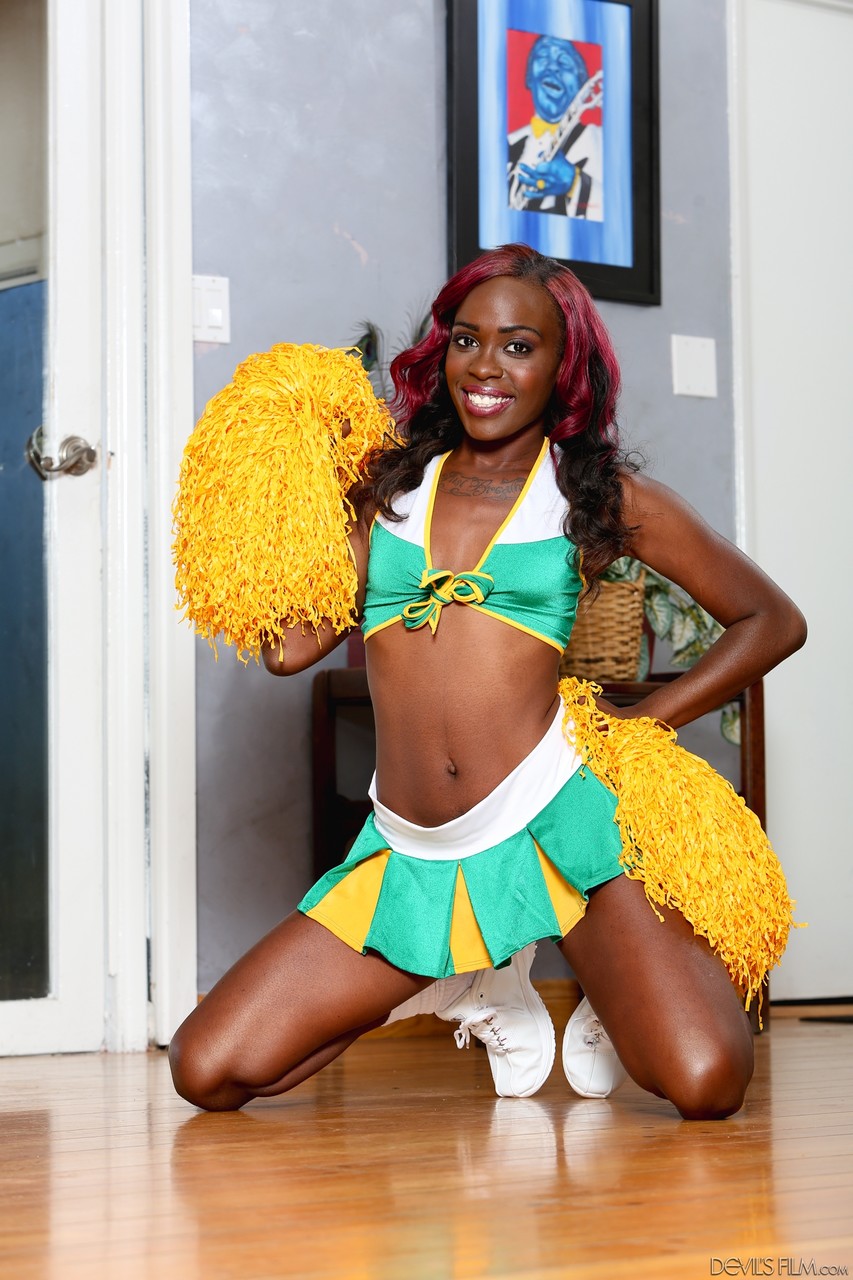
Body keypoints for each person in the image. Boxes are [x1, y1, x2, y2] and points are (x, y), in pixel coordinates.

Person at [168, 243, 805, 1120]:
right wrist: (280, 470)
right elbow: (287, 650)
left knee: (703, 1082)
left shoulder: (593, 495)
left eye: (518, 346)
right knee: (207, 1070)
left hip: (556, 822)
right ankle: (460, 976)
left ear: (561, 365)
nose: (486, 367)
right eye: (467, 340)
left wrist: (647, 720)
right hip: (412, 851)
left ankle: (604, 994)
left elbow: (771, 619)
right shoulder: (389, 493)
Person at [507, 35, 603, 218]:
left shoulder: (602, 143)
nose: (552, 67)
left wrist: (574, 182)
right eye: (543, 57)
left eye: (564, 62)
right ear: (529, 77)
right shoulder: (506, 145)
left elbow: (620, 215)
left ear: (582, 86)